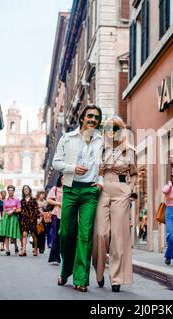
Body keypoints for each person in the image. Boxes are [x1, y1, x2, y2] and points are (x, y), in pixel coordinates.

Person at [52, 104, 103, 292]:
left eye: (96, 117)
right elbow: (56, 162)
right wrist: (72, 168)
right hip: (71, 190)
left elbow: (104, 164)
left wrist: (101, 180)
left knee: (85, 235)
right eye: (89, 116)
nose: (92, 119)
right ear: (82, 118)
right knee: (65, 233)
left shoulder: (101, 140)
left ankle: (81, 278)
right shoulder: (68, 138)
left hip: (90, 191)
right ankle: (66, 270)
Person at [92, 116, 138, 292]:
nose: (112, 131)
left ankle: (117, 278)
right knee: (101, 234)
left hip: (121, 191)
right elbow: (91, 171)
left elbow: (133, 174)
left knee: (118, 236)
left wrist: (129, 189)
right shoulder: (99, 150)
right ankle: (99, 271)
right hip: (101, 190)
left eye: (116, 128)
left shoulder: (130, 150)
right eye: (109, 128)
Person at [0, 185, 21, 256]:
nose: (10, 191)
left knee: (13, 234)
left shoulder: (16, 200)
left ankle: (16, 246)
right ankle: (7, 250)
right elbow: (4, 210)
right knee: (6, 234)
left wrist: (13, 211)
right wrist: (2, 218)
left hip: (13, 217)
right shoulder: (5, 200)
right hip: (6, 217)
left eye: (12, 190)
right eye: (9, 190)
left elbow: (19, 209)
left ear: (14, 191)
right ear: (7, 191)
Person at [19, 185, 40, 257]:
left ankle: (36, 249)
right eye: (24, 189)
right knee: (24, 234)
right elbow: (20, 210)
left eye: (27, 189)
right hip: (24, 219)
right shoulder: (21, 201)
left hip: (32, 219)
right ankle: (24, 250)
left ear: (30, 190)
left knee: (34, 235)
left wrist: (38, 218)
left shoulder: (33, 200)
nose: (26, 190)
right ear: (23, 191)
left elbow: (36, 209)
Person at [47, 174, 64, 265]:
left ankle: (66, 257)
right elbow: (48, 199)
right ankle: (55, 258)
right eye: (62, 179)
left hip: (68, 215)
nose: (64, 180)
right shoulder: (55, 188)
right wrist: (58, 203)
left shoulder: (71, 189)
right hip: (56, 214)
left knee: (66, 236)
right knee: (56, 236)